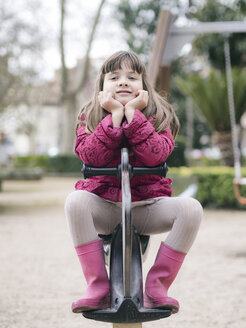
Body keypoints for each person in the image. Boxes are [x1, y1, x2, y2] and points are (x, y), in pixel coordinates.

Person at [65, 50, 203, 314]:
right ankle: (97, 285)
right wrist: (114, 117)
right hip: (104, 205)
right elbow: (90, 155)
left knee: (191, 209)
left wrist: (135, 117)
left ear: (144, 84)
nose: (123, 82)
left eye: (132, 76)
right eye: (114, 77)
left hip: (148, 207)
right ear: (102, 86)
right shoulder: (90, 116)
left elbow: (155, 155)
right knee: (75, 201)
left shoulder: (158, 116)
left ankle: (156, 285)